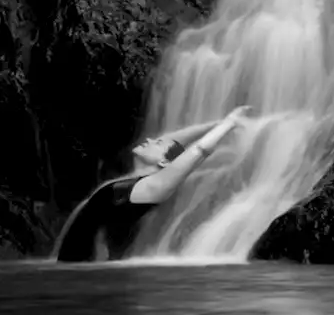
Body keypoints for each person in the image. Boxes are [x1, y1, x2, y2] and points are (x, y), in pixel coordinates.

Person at [54, 106, 252, 262]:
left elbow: (198, 151)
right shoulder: (142, 176)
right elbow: (176, 140)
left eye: (157, 144)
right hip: (76, 267)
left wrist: (229, 123)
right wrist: (217, 123)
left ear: (165, 163)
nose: (152, 140)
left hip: (88, 271)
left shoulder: (157, 187)